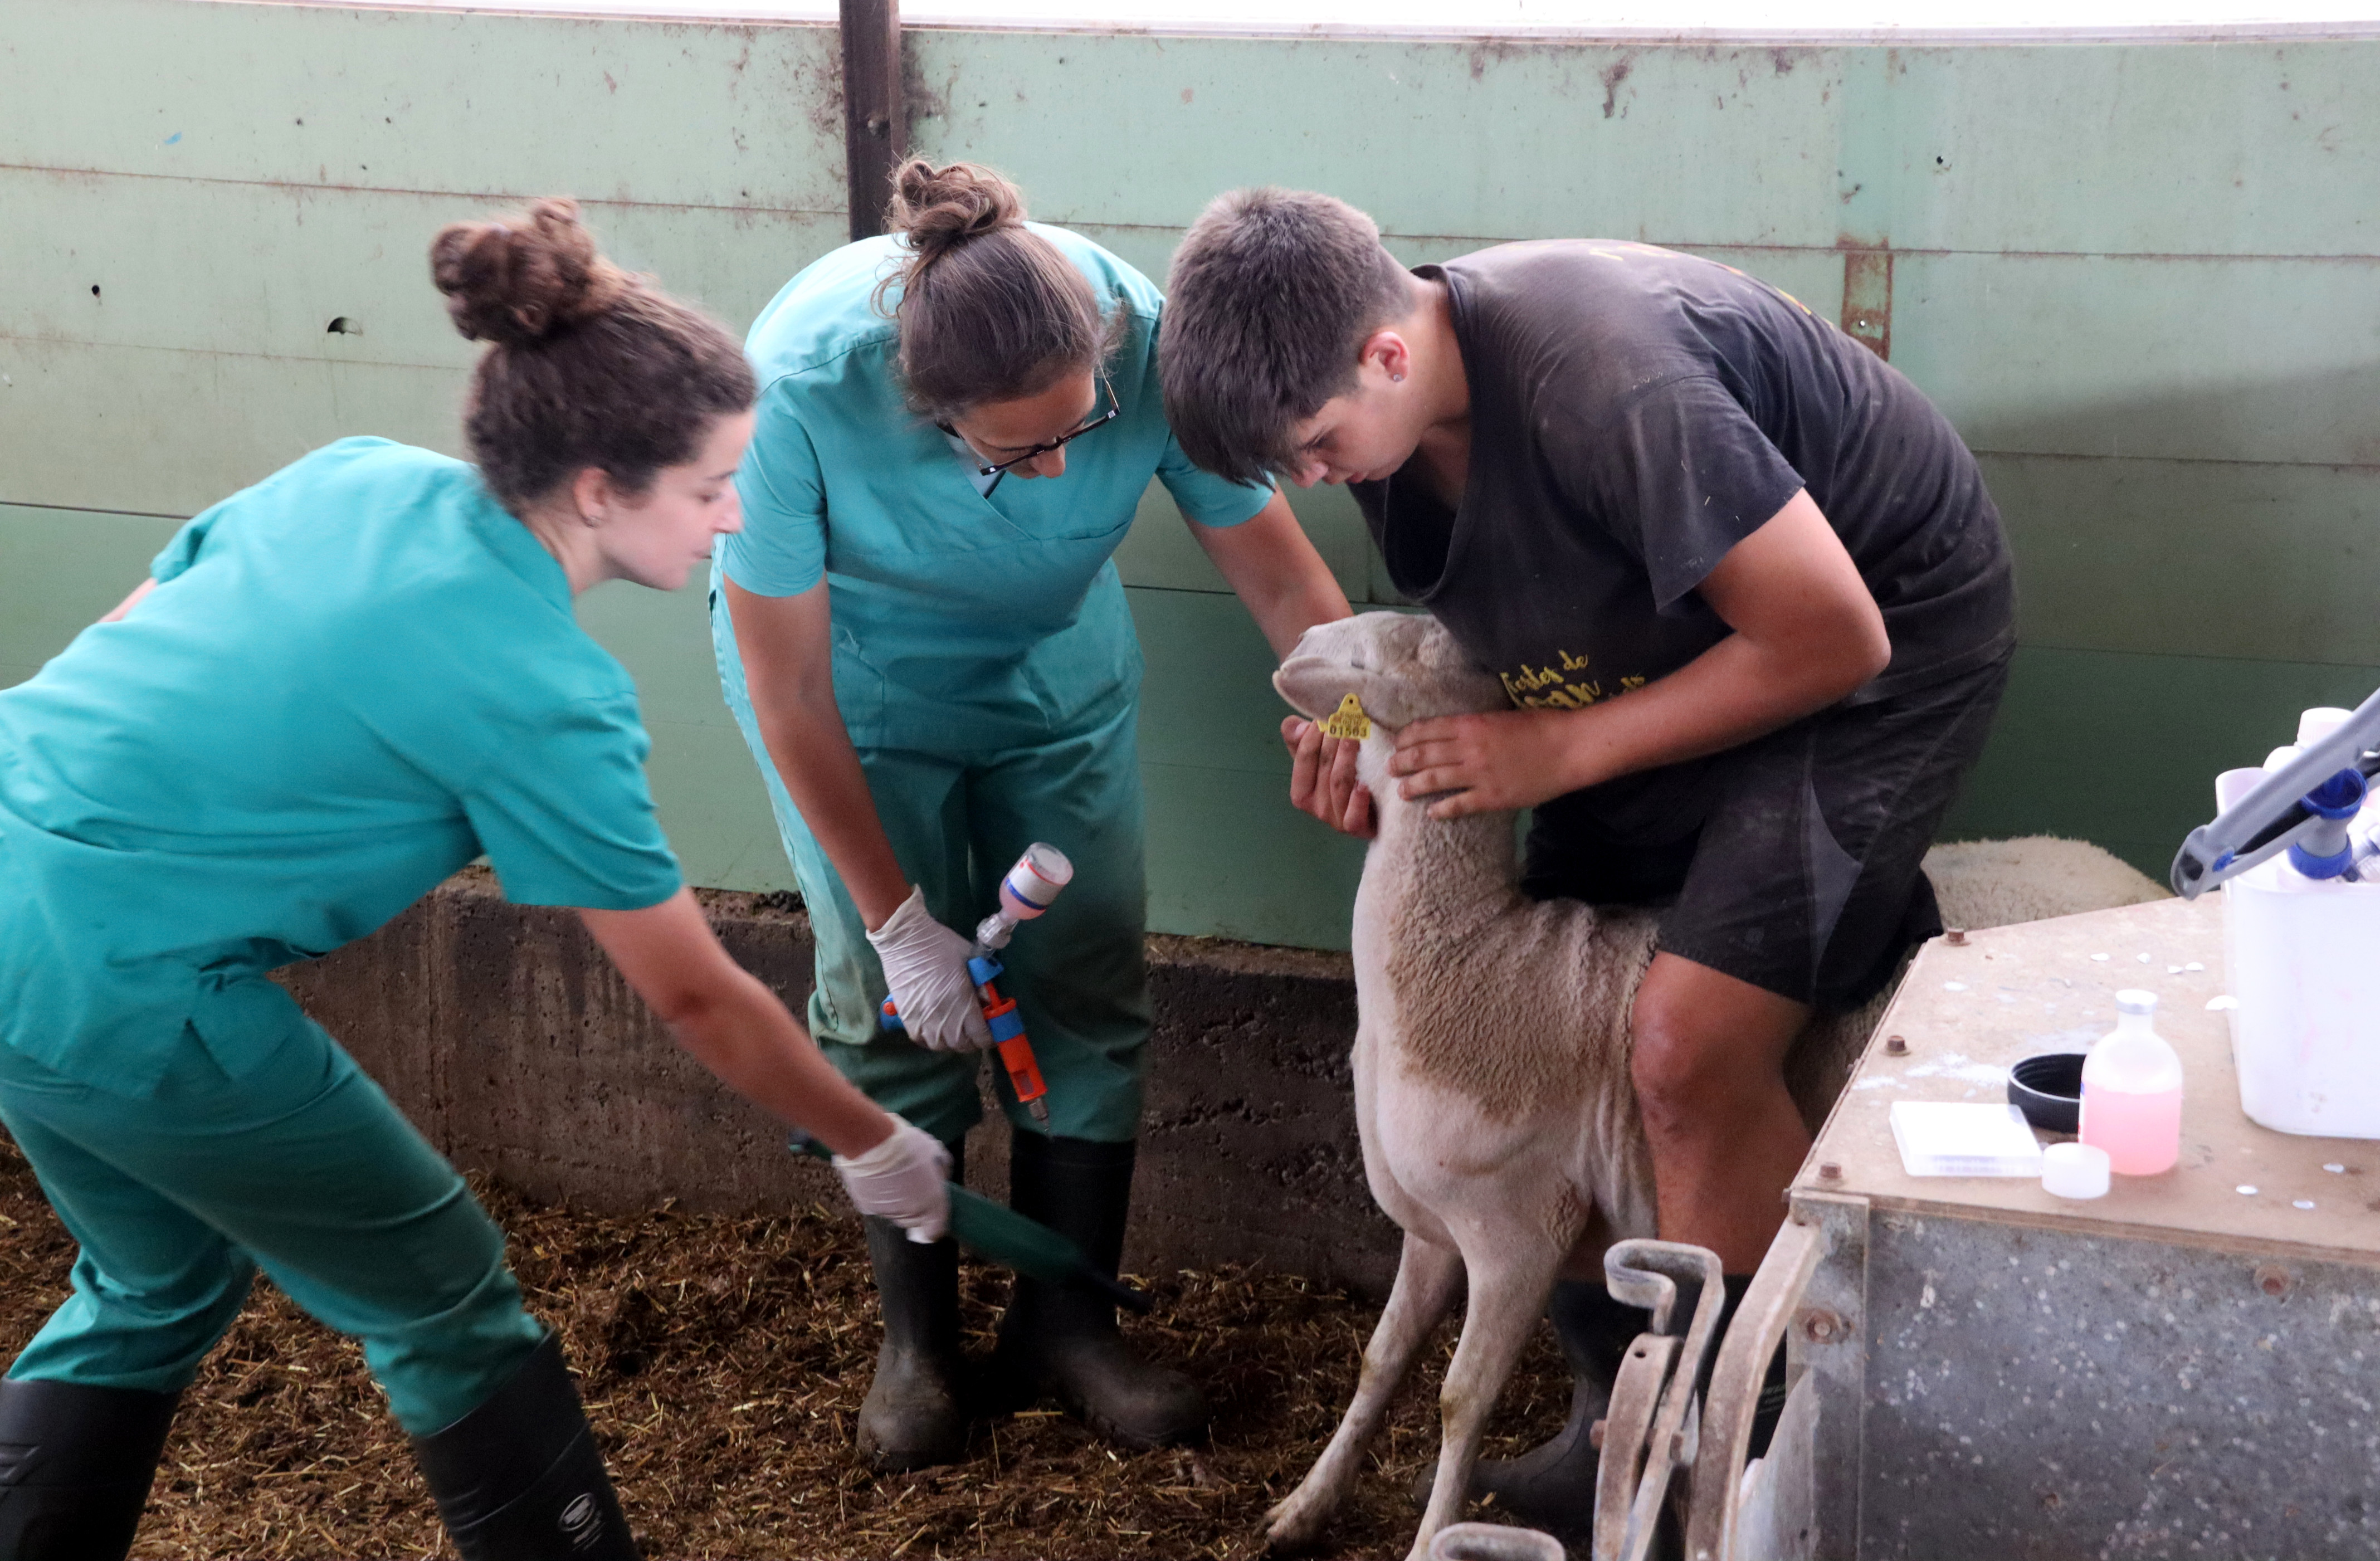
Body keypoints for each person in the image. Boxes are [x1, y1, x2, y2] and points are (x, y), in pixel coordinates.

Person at [0, 200, 948, 1561]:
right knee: (448, 1307)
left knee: (157, 1276)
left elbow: (110, 651)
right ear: (602, 488)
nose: (736, 513)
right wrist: (872, 1137)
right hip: (134, 994)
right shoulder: (545, 687)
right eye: (708, 486)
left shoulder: (349, 477)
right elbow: (694, 992)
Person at [1158, 191, 2015, 1530]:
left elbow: (1832, 637)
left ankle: (1740, 1459)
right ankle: (1609, 1409)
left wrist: (1556, 758)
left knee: (1681, 1043)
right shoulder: (1394, 420)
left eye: (1316, 449)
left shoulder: (1604, 382)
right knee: (1545, 1014)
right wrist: (1351, 738)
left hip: (1870, 650)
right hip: (1654, 646)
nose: (1313, 481)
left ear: (1387, 351)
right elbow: (1484, 643)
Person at [710, 160, 1351, 1469]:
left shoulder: (1142, 336)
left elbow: (1282, 575)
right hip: (854, 696)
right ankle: (919, 1341)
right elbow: (786, 689)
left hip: (1052, 675)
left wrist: (1360, 723)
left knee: (1091, 969)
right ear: (928, 414)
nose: (1066, 467)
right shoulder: (797, 394)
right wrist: (896, 921)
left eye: (1085, 427)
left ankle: (1064, 1320)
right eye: (1023, 451)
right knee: (895, 1008)